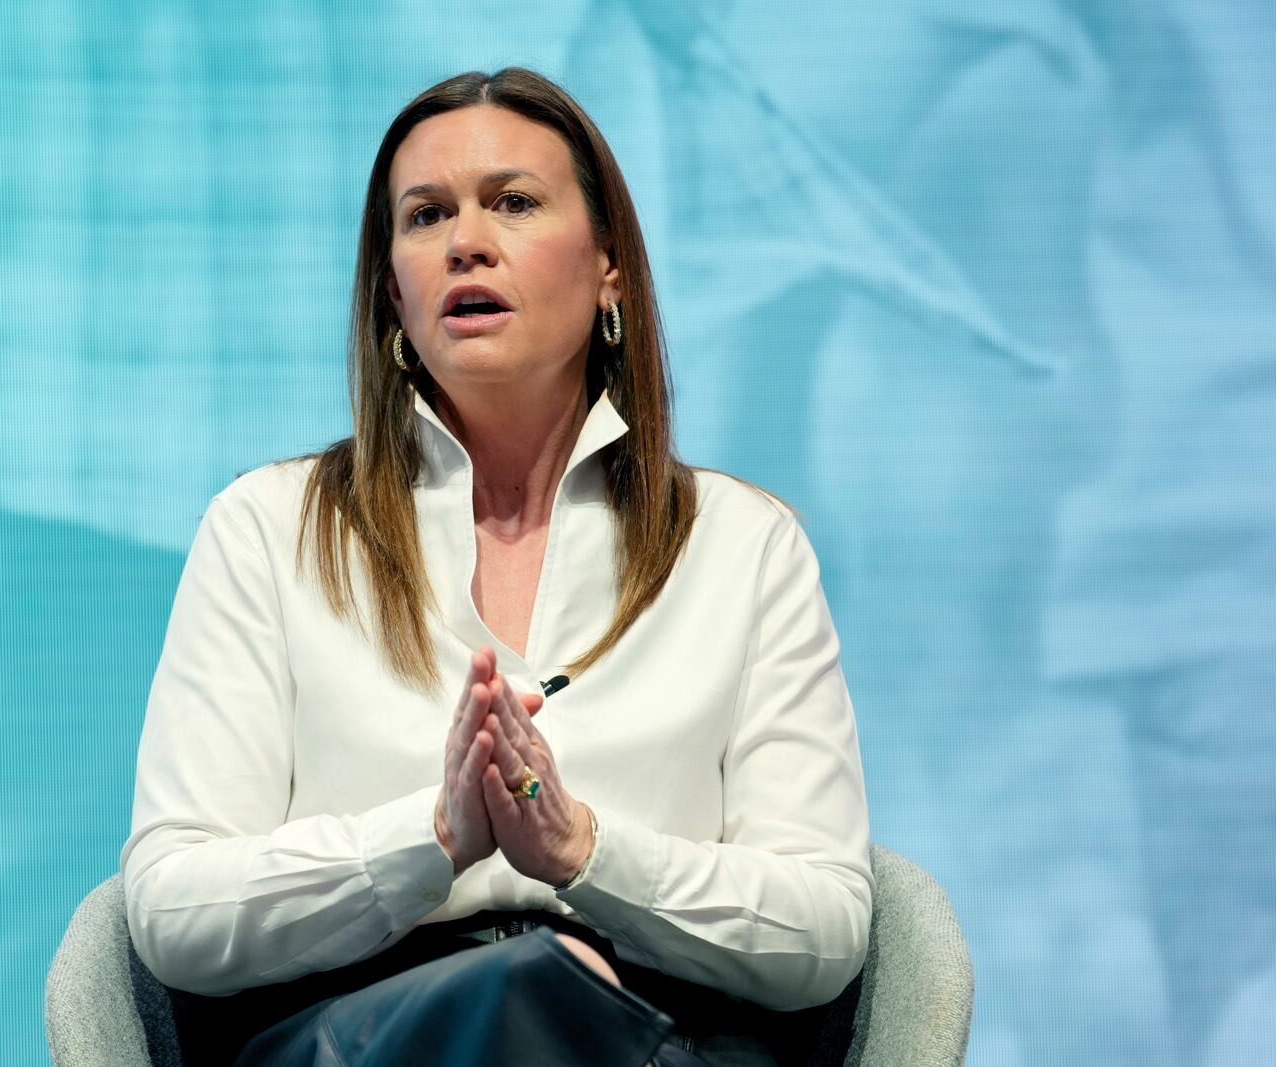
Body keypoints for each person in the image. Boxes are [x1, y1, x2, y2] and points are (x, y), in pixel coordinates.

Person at [120, 67, 873, 1067]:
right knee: (517, 995)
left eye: (513, 202)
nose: (465, 240)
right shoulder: (267, 528)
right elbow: (175, 904)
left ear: (610, 266)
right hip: (363, 1036)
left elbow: (821, 928)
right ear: (393, 288)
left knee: (560, 1001)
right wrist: (428, 835)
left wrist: (585, 853)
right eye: (425, 215)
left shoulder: (743, 542)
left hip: (660, 1029)